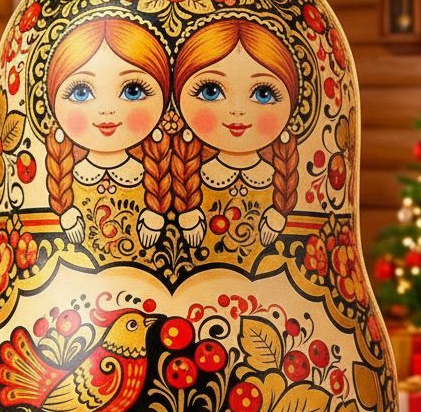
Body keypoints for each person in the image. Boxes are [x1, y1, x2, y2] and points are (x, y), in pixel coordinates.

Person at [44, 16, 172, 251]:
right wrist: (66, 214)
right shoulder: (69, 176)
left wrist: (156, 215)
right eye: (81, 92)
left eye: (132, 90)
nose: (106, 110)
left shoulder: (150, 175)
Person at [173, 18, 301, 249]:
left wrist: (279, 215)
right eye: (210, 91)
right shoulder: (189, 176)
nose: (237, 111)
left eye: (263, 93)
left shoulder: (278, 178)